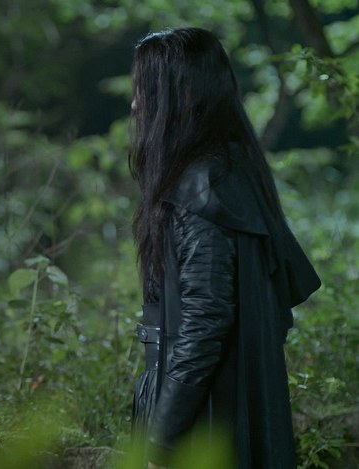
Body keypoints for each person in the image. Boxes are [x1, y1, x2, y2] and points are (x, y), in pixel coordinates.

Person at [128, 28, 321, 468]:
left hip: (205, 427)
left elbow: (204, 323)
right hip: (212, 414)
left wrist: (160, 441)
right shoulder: (225, 174)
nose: (136, 105)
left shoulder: (204, 186)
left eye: (144, 90)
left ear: (178, 95)